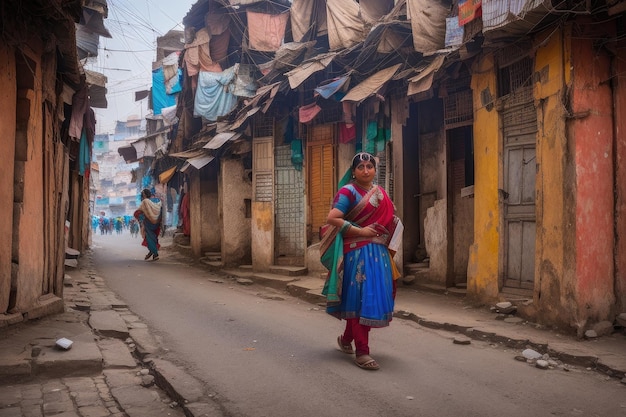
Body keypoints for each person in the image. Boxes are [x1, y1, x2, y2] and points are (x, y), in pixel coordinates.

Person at [320, 152, 402, 371]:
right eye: (361, 167)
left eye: (369, 166)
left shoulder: (381, 193)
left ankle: (347, 339)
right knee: (360, 300)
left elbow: (389, 217)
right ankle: (362, 351)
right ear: (354, 171)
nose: (366, 171)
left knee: (371, 298)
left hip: (379, 253)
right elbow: (333, 218)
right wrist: (362, 231)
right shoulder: (348, 191)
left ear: (375, 169)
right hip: (356, 253)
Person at [134, 188, 163, 261]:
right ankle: (151, 252)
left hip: (148, 223)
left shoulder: (145, 202)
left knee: (149, 238)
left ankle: (155, 254)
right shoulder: (157, 200)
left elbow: (138, 211)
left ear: (143, 195)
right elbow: (160, 210)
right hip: (157, 223)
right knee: (154, 237)